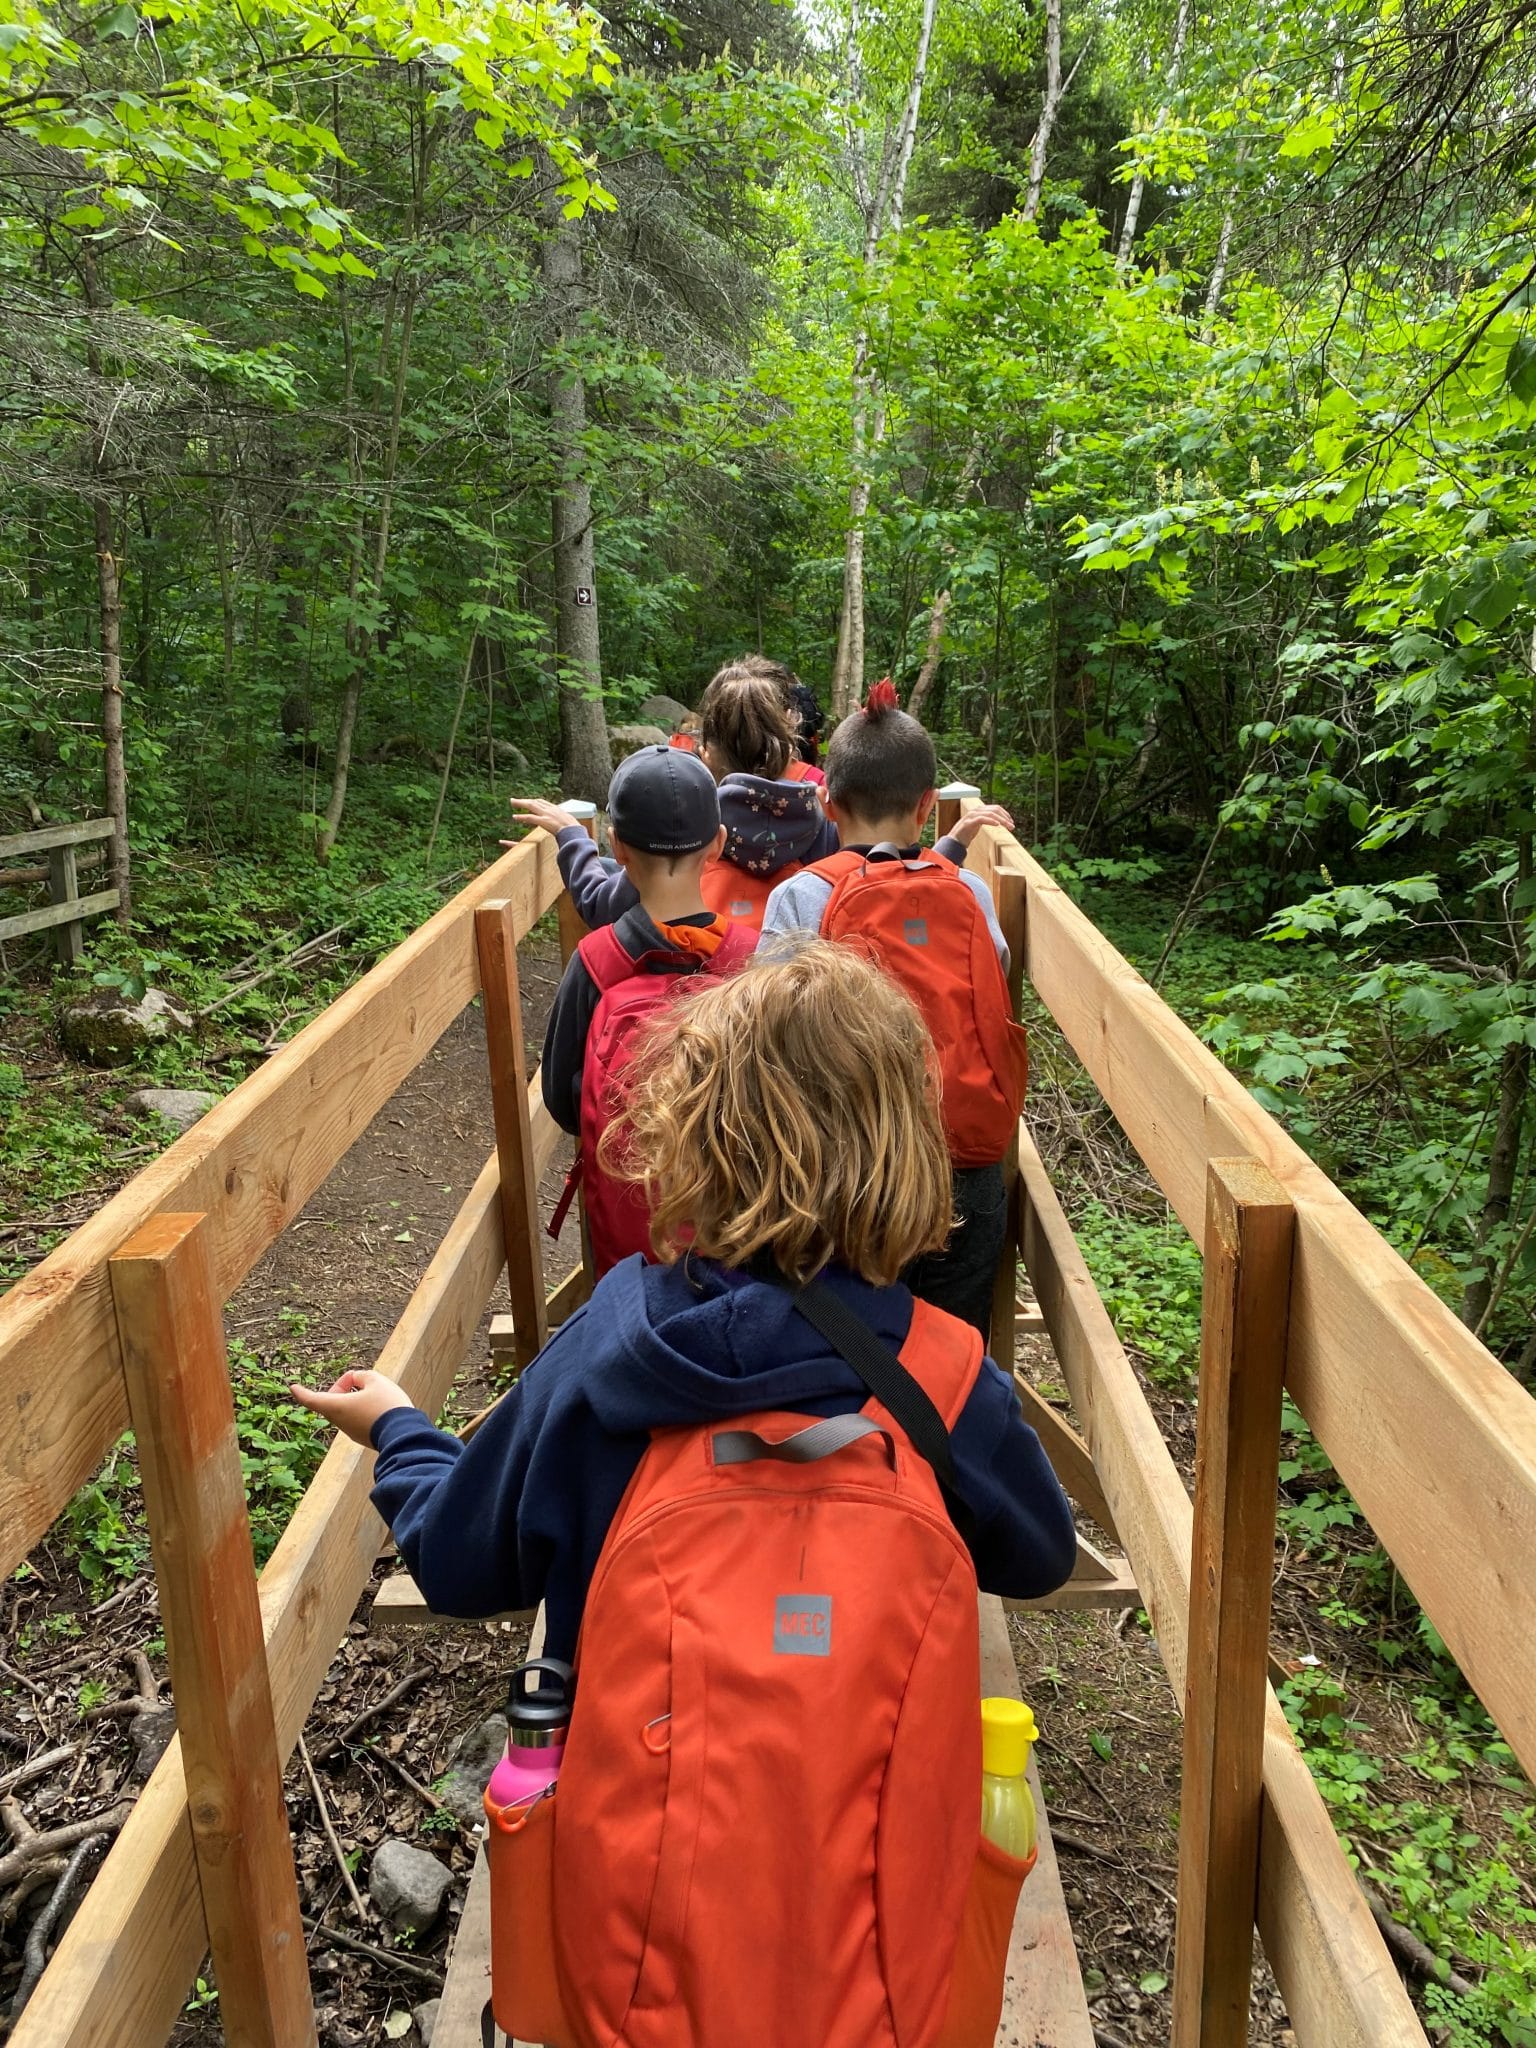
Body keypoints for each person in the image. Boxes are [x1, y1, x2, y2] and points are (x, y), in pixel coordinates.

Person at [292, 944, 1073, 2045]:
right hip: (887, 1971)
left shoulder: (615, 1348)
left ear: (694, 1135)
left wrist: (403, 1435)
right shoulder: (944, 1375)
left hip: (640, 1964)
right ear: (909, 1146)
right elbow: (1038, 1554)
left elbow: (462, 1563)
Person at [761, 683, 1022, 1336]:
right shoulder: (969, 892)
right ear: (928, 803)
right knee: (953, 1356)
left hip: (849, 1177)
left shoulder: (798, 899)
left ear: (827, 800)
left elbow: (761, 1029)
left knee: (851, 1362)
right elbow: (997, 969)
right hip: (964, 1172)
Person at [538, 744, 756, 1272]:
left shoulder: (597, 960)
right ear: (718, 845)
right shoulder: (755, 959)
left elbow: (562, 1099)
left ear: (617, 847)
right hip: (741, 1234)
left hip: (630, 1241)